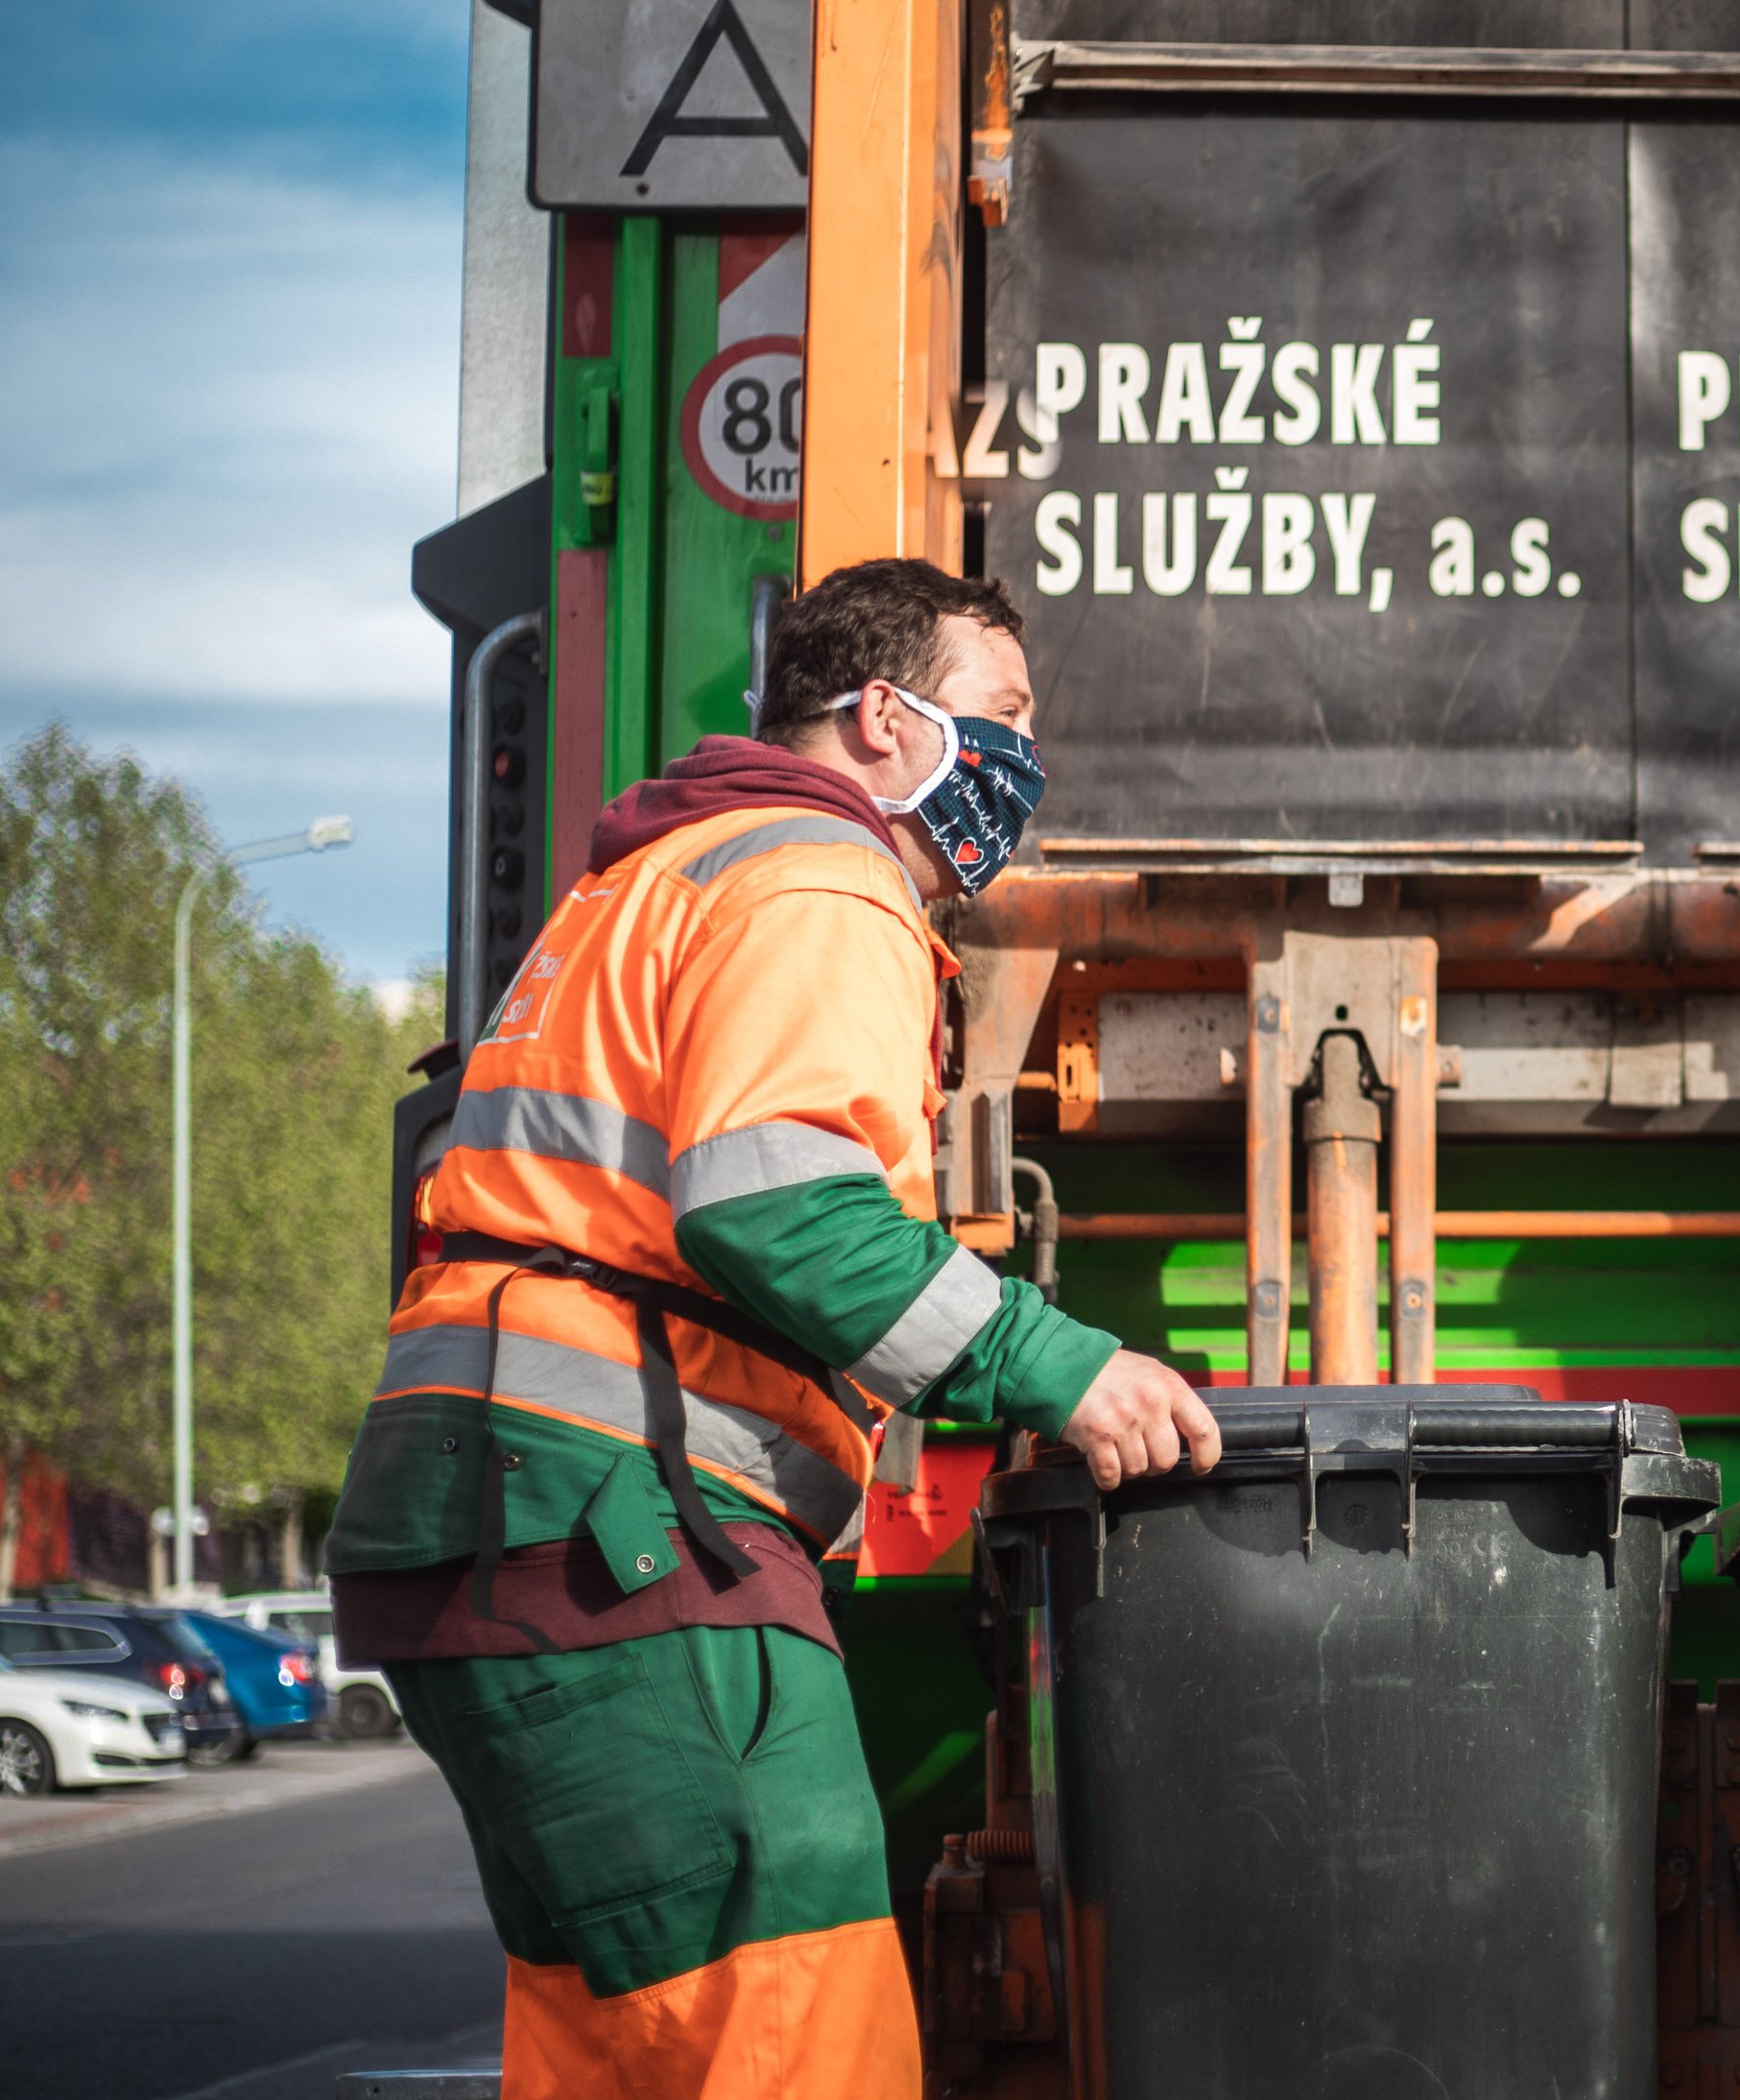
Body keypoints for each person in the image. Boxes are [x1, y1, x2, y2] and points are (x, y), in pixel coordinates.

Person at [325, 558, 1219, 2099]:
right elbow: (775, 1206)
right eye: (1002, 716)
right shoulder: (820, 877)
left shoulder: (654, 880)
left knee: (620, 2052)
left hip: (500, 1522)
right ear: (887, 716)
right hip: (629, 1532)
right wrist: (1061, 1367)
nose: (1025, 761)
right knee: (802, 2049)